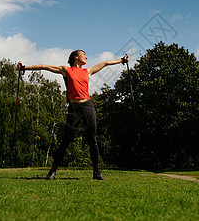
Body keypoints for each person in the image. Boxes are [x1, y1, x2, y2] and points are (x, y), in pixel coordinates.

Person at [18, 50, 129, 180]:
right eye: (84, 54)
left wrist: (122, 60)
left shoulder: (87, 71)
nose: (86, 56)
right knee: (66, 141)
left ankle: (96, 172)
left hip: (88, 107)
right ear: (76, 57)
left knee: (92, 140)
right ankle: (52, 172)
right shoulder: (66, 70)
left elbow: (106, 63)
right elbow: (44, 66)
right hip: (74, 109)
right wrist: (24, 68)